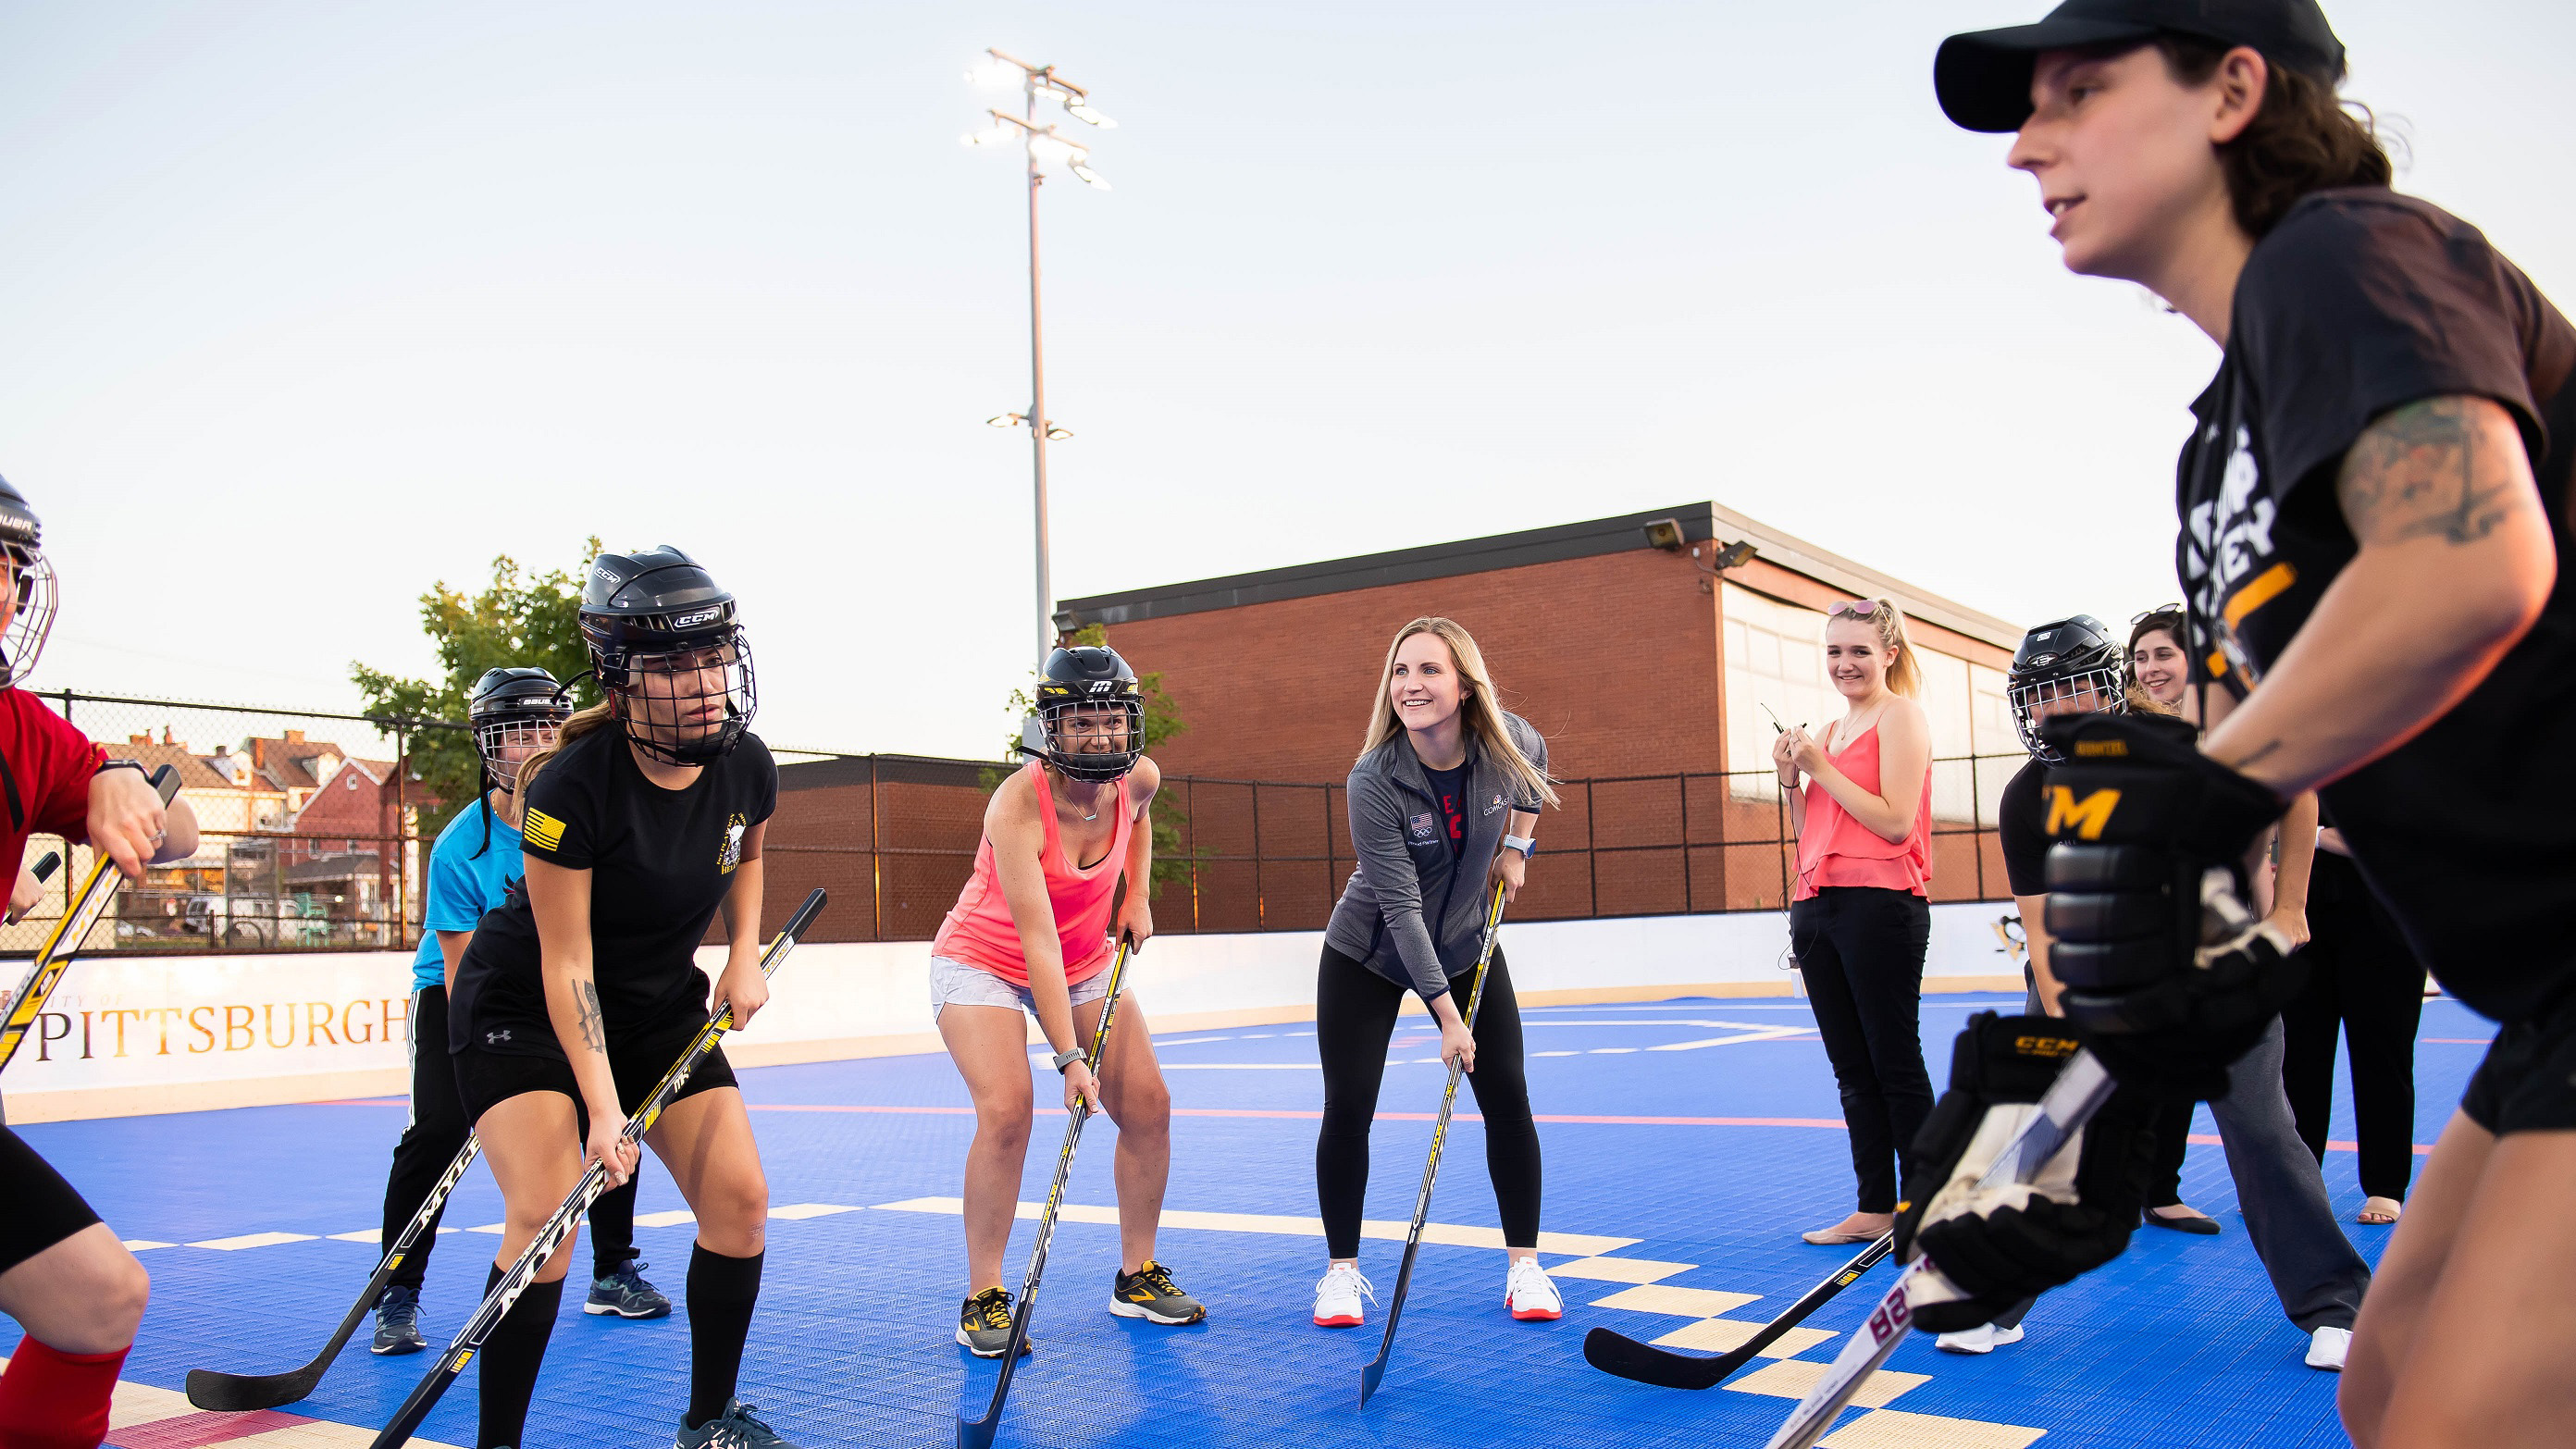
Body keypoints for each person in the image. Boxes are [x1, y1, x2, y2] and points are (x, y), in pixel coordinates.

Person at [1930, 6, 2574, 1443]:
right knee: (2390, 1385)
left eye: (2082, 92)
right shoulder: (2219, 439)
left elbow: (2474, 561)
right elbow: (2272, 743)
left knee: (2470, 1416)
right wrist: (2073, 1087)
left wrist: (2195, 801)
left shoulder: (2346, 257)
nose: (2032, 143)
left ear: (2234, 91)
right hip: (2547, 990)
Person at [1940, 615, 2368, 1368]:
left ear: (2111, 686)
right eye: (2039, 696)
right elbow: (2044, 941)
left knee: (2262, 1131)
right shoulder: (2026, 797)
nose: (2056, 707)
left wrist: (2291, 908)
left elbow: (2295, 792)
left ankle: (2336, 1305)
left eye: (2072, 686)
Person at [446, 546, 791, 1449]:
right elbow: (565, 965)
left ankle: (708, 1421)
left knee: (742, 1203)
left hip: (652, 1004)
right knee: (547, 1219)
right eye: (672, 664)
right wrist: (605, 1111)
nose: (702, 681)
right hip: (522, 1007)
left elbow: (744, 849)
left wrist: (742, 954)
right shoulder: (570, 789)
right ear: (618, 677)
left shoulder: (745, 762)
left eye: (712, 656)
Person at [368, 667, 672, 1358]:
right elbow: (465, 976)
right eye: (515, 733)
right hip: (467, 999)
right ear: (486, 745)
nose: (534, 744)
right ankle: (399, 1292)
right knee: (438, 1130)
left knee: (609, 1109)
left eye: (547, 729)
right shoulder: (459, 848)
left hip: (562, 989)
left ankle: (612, 1269)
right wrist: (487, 1080)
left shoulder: (585, 817)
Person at [0, 475, 203, 1449]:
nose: (1, 588)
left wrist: (120, 779)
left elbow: (183, 834)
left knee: (97, 1298)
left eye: (10, 567)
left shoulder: (19, 727)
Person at [929, 644, 1203, 1358]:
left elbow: (1138, 821)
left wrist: (1136, 895)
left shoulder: (1137, 778)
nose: (1102, 735)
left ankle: (1136, 1277)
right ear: (1051, 729)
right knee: (1007, 1110)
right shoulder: (1018, 803)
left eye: (1113, 719)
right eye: (1082, 722)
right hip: (983, 960)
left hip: (1083, 961)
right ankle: (983, 1296)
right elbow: (1035, 942)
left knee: (1148, 1106)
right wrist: (1070, 1059)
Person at [1312, 616, 1557, 1329]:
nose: (1411, 686)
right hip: (1368, 952)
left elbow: (1534, 766)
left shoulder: (1504, 743)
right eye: (1400, 672)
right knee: (1349, 1106)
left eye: (1429, 671)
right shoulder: (1374, 779)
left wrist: (1517, 845)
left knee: (1508, 1099)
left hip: (1467, 944)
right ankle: (1340, 1273)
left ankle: (1526, 1268)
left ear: (1464, 684)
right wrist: (1448, 1018)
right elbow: (1400, 908)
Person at [1772, 598, 1935, 1247]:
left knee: (1894, 1061)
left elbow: (1895, 821)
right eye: (1835, 652)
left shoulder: (1901, 718)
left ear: (1889, 654)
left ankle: (1925, 1207)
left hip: (1882, 902)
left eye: (1860, 651)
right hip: (1818, 904)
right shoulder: (1833, 733)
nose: (1846, 664)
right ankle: (1875, 1205)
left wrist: (1821, 769)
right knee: (1851, 1069)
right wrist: (1791, 782)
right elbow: (1813, 833)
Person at [2117, 608, 2221, 1237]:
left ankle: (2162, 1189)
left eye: (2164, 655)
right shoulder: (2124, 732)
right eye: (2141, 657)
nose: (2149, 669)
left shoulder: (2229, 727)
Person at [2281, 819, 2428, 1226]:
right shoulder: (2309, 759)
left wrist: (2310, 834)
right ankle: (2296, 1180)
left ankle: (2386, 1184)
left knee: (2384, 1050)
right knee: (2300, 1054)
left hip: (2387, 910)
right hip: (2306, 905)